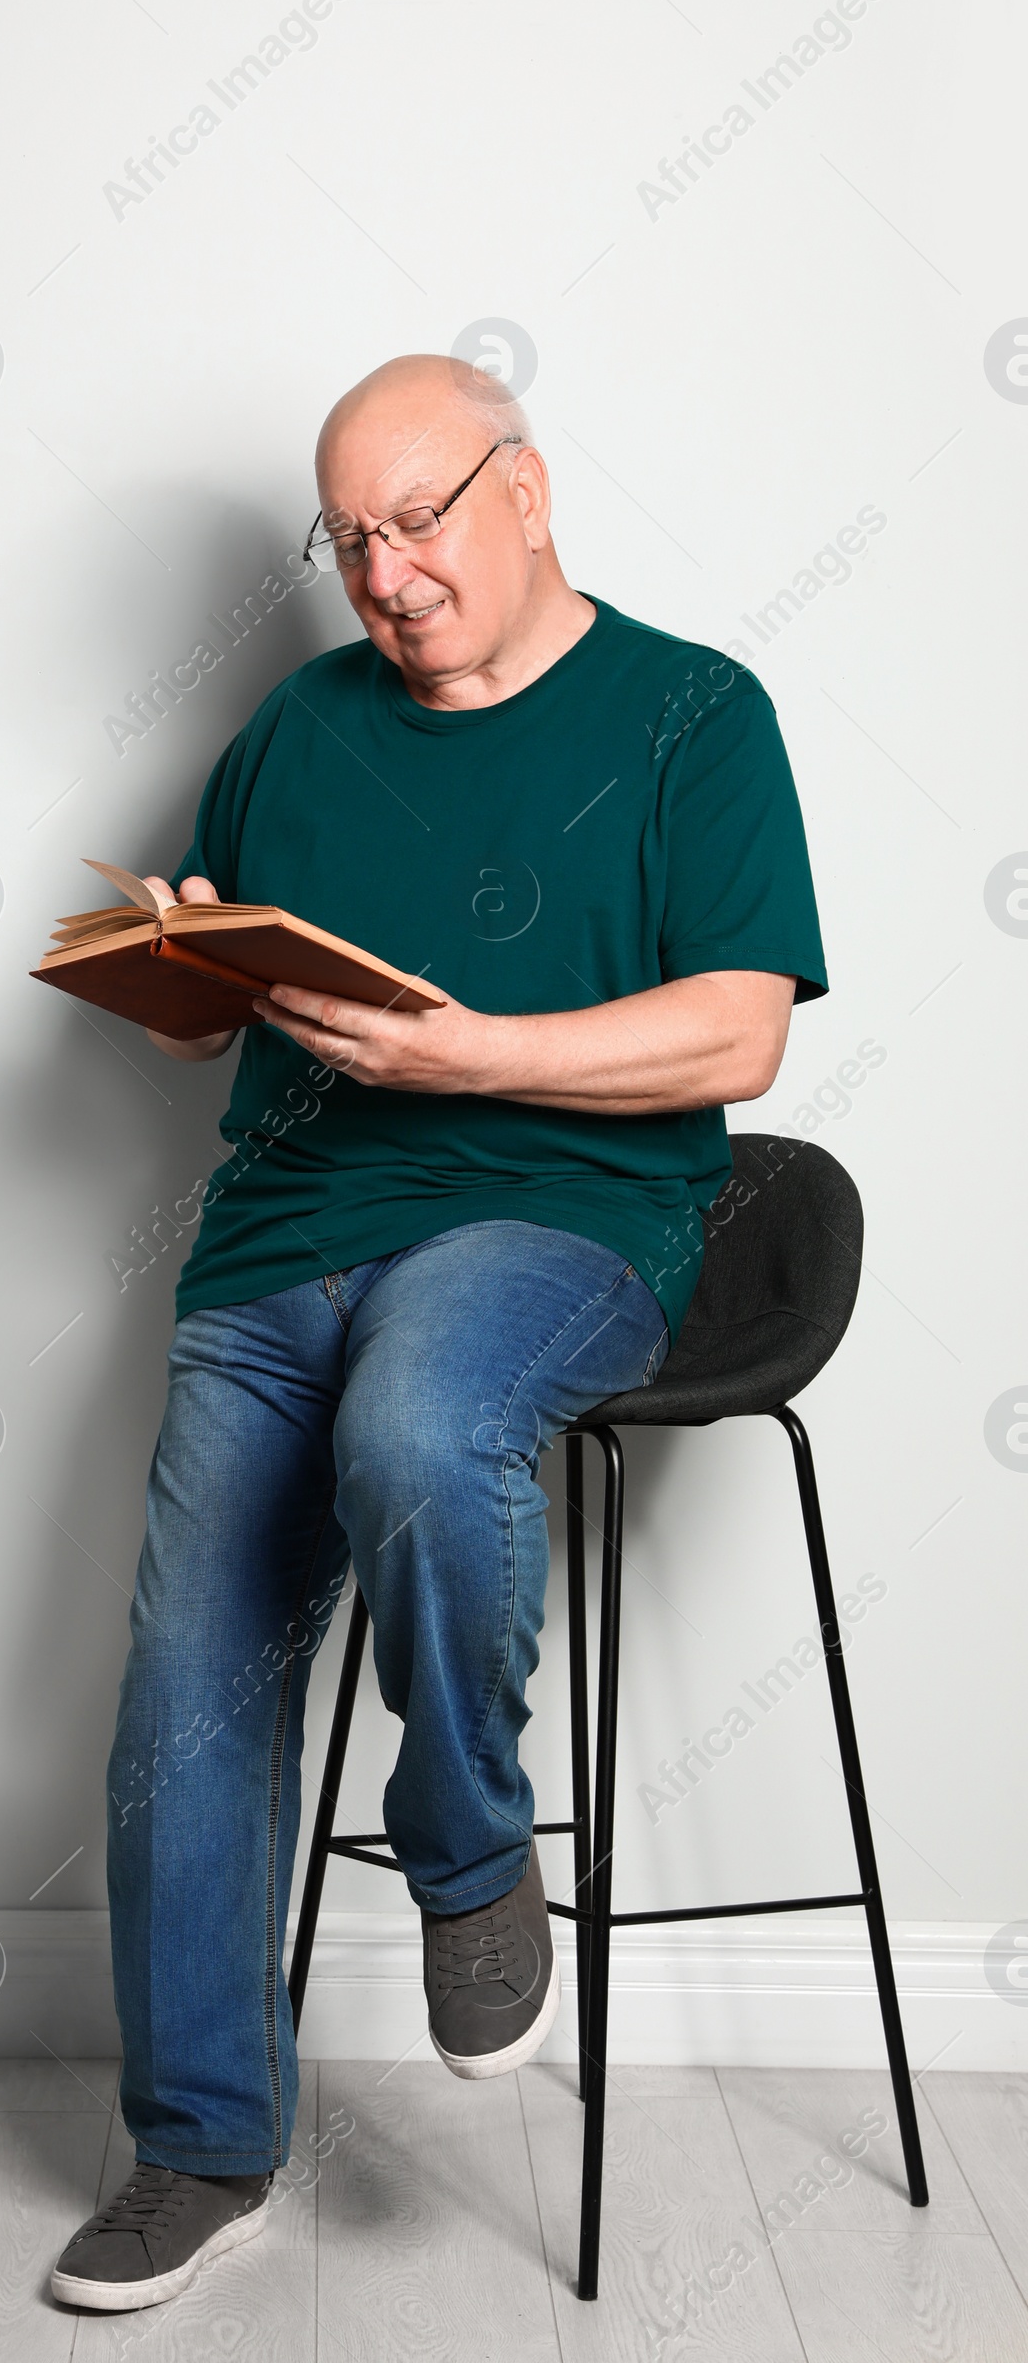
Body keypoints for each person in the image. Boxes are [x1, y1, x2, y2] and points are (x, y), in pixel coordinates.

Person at [50, 354, 826, 2314]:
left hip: (554, 1222)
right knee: (180, 1697)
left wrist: (472, 1053)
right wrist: (176, 965)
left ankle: (469, 1842)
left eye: (418, 523)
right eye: (350, 540)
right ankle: (197, 2143)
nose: (384, 575)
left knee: (419, 1423)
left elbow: (735, 1027)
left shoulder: (687, 713)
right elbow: (217, 1009)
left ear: (527, 489)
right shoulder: (295, 730)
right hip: (275, 1242)